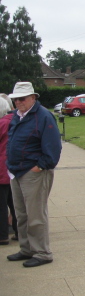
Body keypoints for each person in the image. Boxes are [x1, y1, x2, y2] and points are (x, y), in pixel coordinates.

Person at [6, 82, 62, 267]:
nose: (18, 102)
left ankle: (42, 253)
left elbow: (53, 147)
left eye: (22, 99)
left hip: (34, 172)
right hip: (16, 171)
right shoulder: (17, 116)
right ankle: (27, 248)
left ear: (33, 98)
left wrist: (40, 167)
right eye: (15, 99)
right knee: (21, 214)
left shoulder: (44, 116)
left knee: (36, 215)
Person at [0, 95, 16, 245]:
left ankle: (2, 235)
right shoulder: (15, 121)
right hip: (13, 168)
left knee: (2, 204)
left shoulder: (1, 124)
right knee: (14, 202)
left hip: (2, 169)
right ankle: (18, 231)